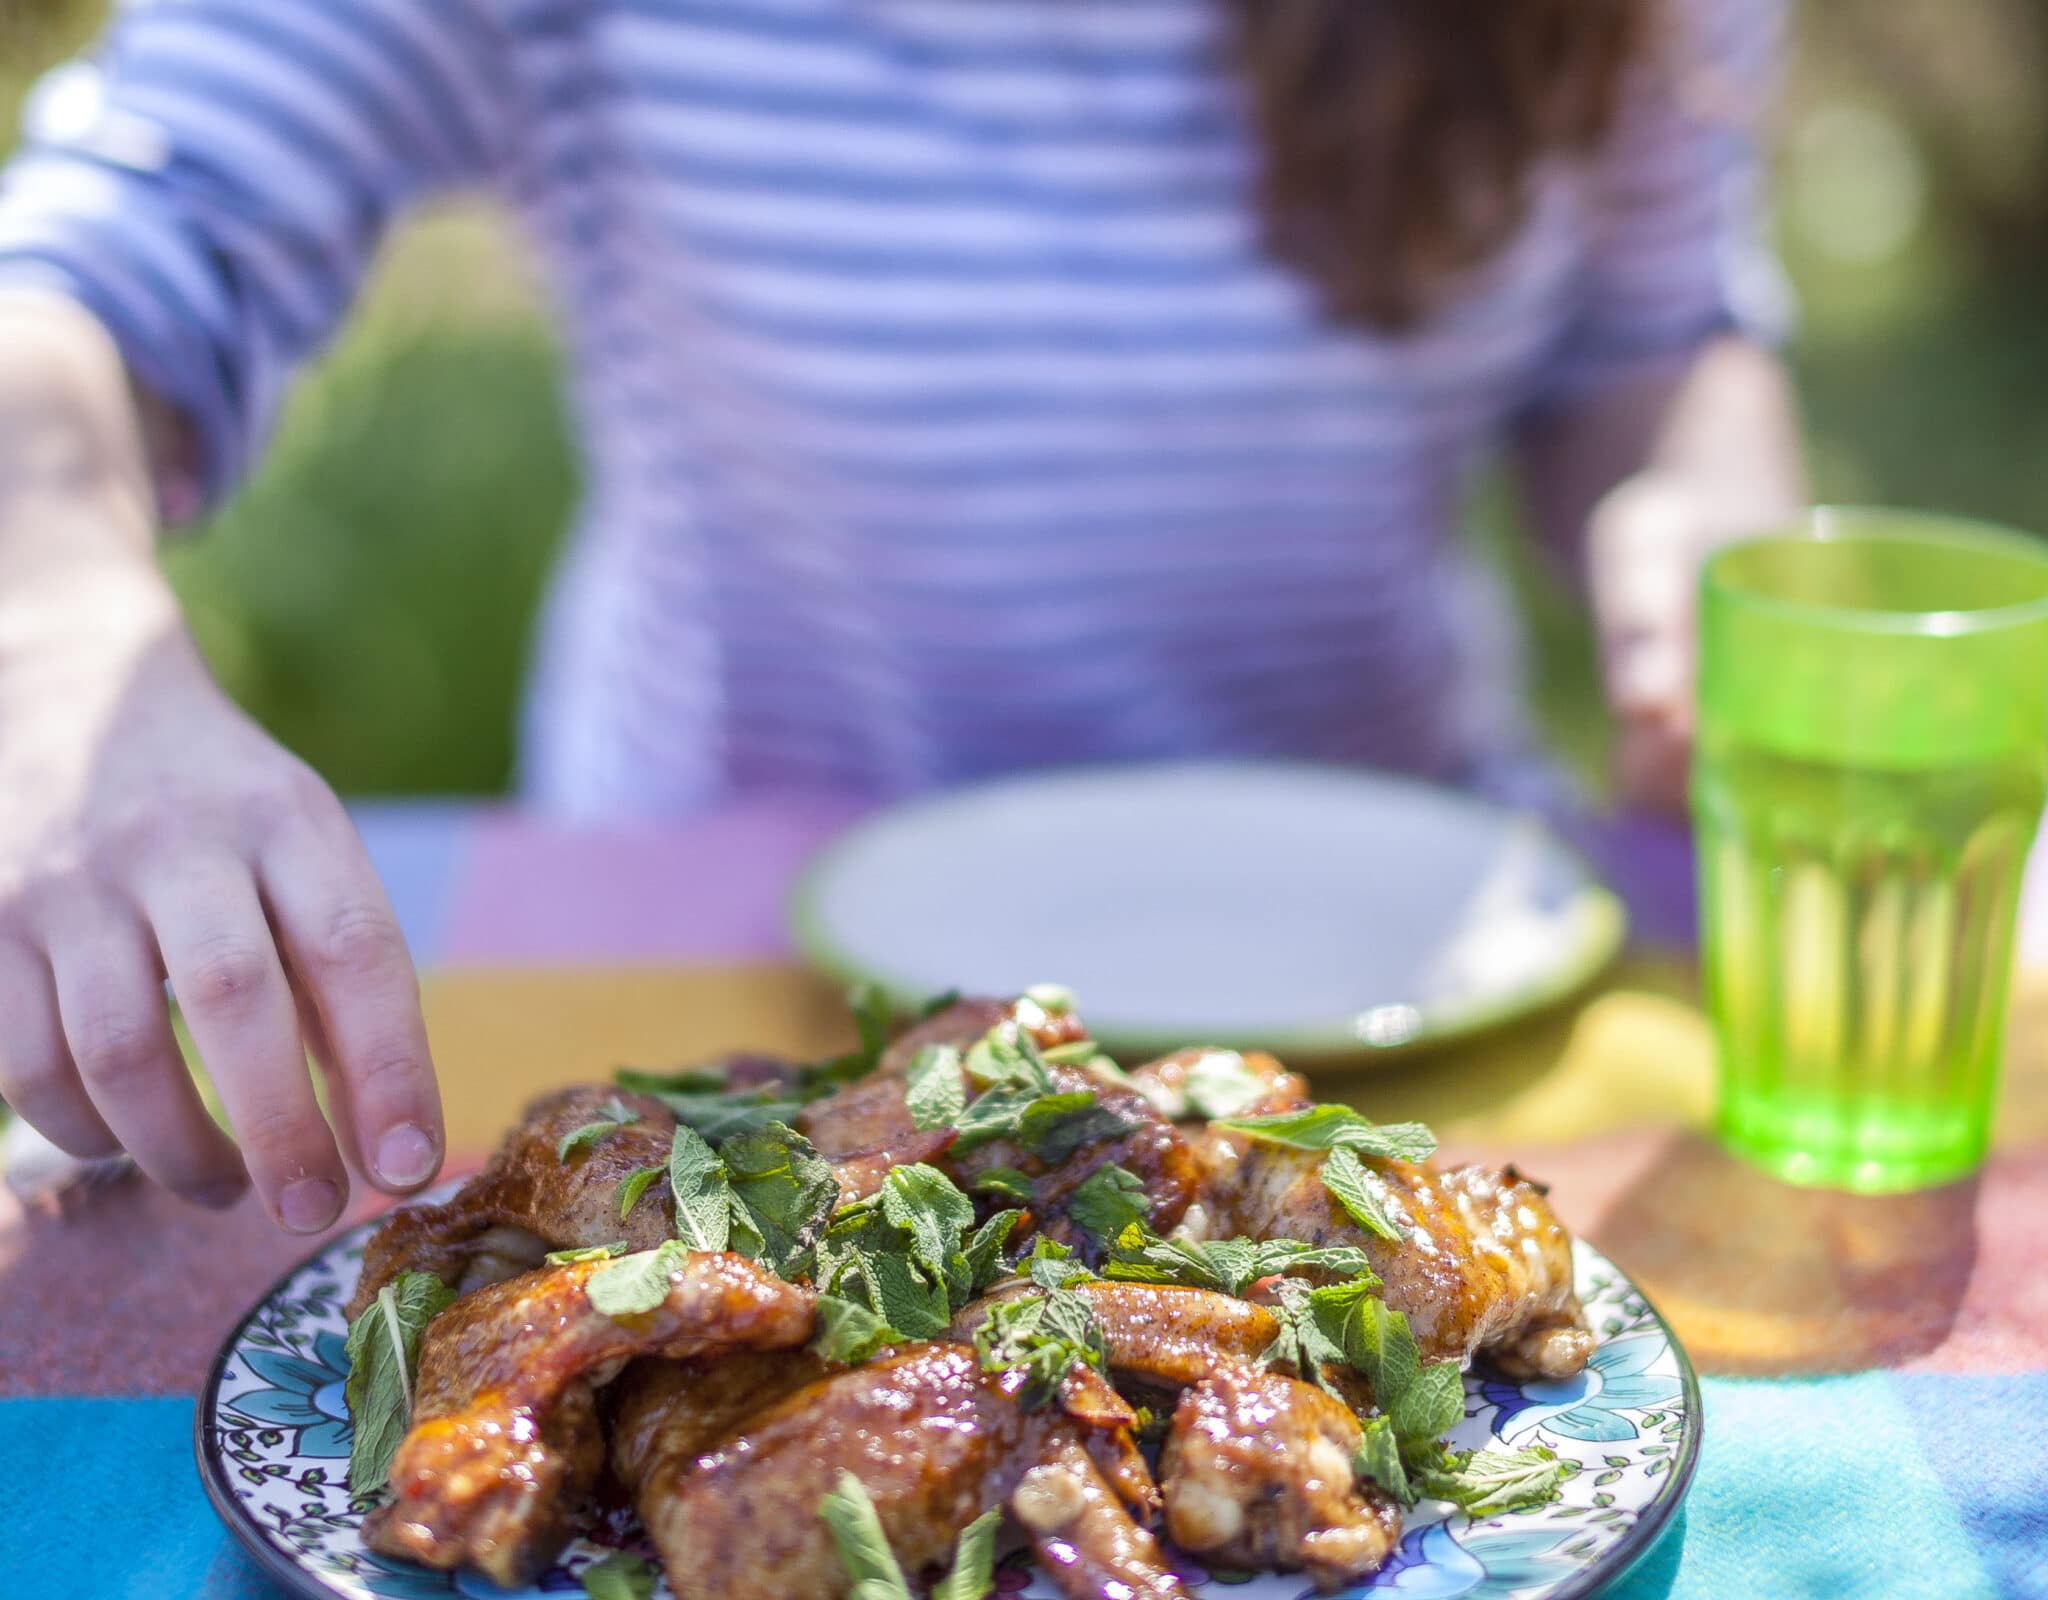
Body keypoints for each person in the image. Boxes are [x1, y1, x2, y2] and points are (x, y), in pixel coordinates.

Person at [0, 0, 1805, 1234]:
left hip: (1433, 983)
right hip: (728, 979)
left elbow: (1654, 337)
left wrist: (1699, 509)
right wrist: (55, 638)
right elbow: (106, 252)